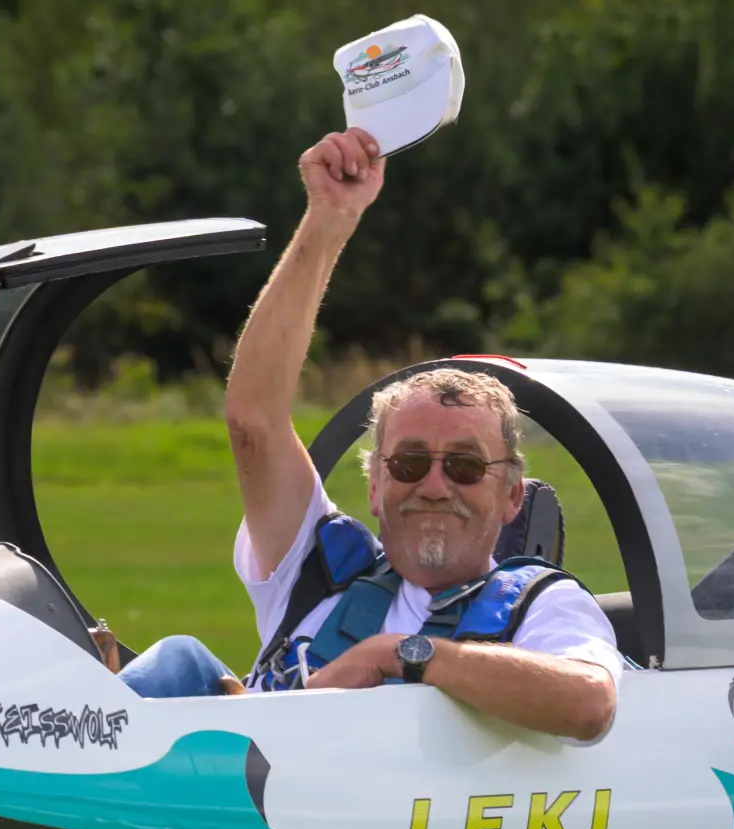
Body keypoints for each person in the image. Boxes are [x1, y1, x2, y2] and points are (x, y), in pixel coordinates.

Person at [113, 127, 625, 744]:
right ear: (376, 485)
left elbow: (589, 704)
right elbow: (254, 420)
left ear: (513, 495)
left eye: (464, 466)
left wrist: (400, 656)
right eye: (409, 463)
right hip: (246, 815)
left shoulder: (542, 611)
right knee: (179, 663)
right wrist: (329, 220)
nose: (434, 485)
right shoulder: (313, 573)